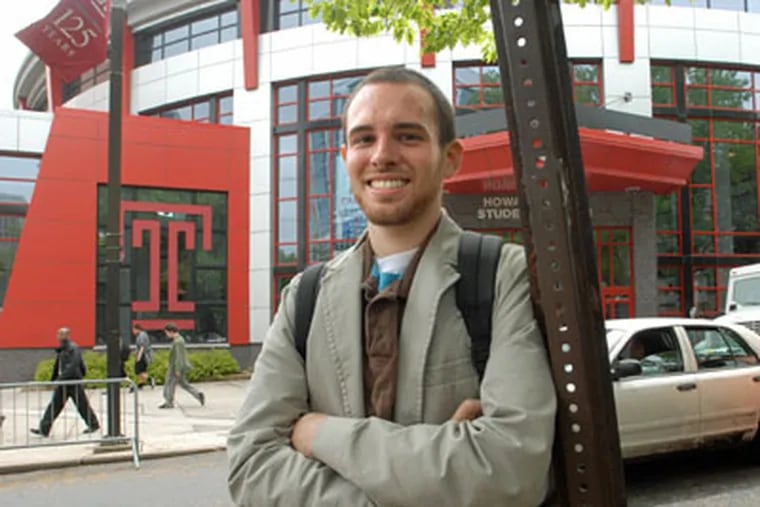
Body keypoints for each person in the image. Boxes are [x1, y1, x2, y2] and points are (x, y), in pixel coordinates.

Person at [227, 67, 557, 506]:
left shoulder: (503, 276)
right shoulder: (304, 297)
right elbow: (251, 466)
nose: (382, 155)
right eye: (364, 139)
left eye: (408, 136)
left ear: (451, 158)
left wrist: (319, 432)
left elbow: (511, 470)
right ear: (345, 157)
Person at [31, 328, 100, 437]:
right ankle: (44, 428)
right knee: (54, 405)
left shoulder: (73, 348)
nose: (60, 336)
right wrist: (54, 379)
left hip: (72, 381)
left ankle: (94, 424)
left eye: (62, 334)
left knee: (82, 404)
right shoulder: (63, 349)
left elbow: (74, 365)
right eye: (59, 334)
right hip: (65, 382)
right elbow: (58, 365)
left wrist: (61, 378)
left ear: (68, 336)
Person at [159, 323, 205, 409]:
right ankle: (198, 394)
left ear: (171, 332)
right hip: (176, 366)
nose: (166, 335)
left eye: (167, 333)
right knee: (183, 383)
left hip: (175, 367)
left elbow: (179, 356)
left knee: (169, 383)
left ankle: (169, 402)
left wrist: (177, 369)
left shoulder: (178, 342)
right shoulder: (179, 340)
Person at [132, 324, 155, 390]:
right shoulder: (142, 335)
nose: (133, 331)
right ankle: (140, 385)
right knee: (142, 371)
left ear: (137, 329)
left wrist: (139, 356)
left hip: (143, 356)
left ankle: (150, 379)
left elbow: (142, 347)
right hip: (143, 355)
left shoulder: (141, 335)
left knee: (138, 370)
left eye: (134, 330)